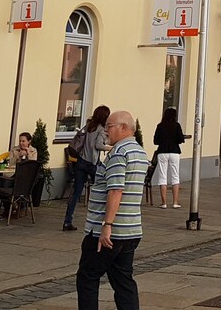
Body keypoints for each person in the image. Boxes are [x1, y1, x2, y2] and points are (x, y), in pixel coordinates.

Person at [76, 110, 148, 310]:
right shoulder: (140, 152)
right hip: (131, 228)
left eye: (109, 126)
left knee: (87, 277)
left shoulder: (118, 153)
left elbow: (116, 190)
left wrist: (107, 225)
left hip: (109, 231)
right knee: (123, 280)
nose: (106, 130)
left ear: (124, 127)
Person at [65, 105, 111, 231]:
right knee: (102, 190)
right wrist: (111, 148)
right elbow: (98, 145)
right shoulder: (101, 129)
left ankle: (67, 221)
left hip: (80, 161)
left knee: (76, 192)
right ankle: (102, 220)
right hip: (92, 163)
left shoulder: (89, 126)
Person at [152, 106, 188, 210]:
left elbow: (155, 141)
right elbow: (180, 139)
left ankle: (164, 203)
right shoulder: (177, 125)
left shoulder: (160, 126)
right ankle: (175, 202)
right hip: (174, 151)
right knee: (175, 176)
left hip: (162, 151)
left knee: (162, 176)